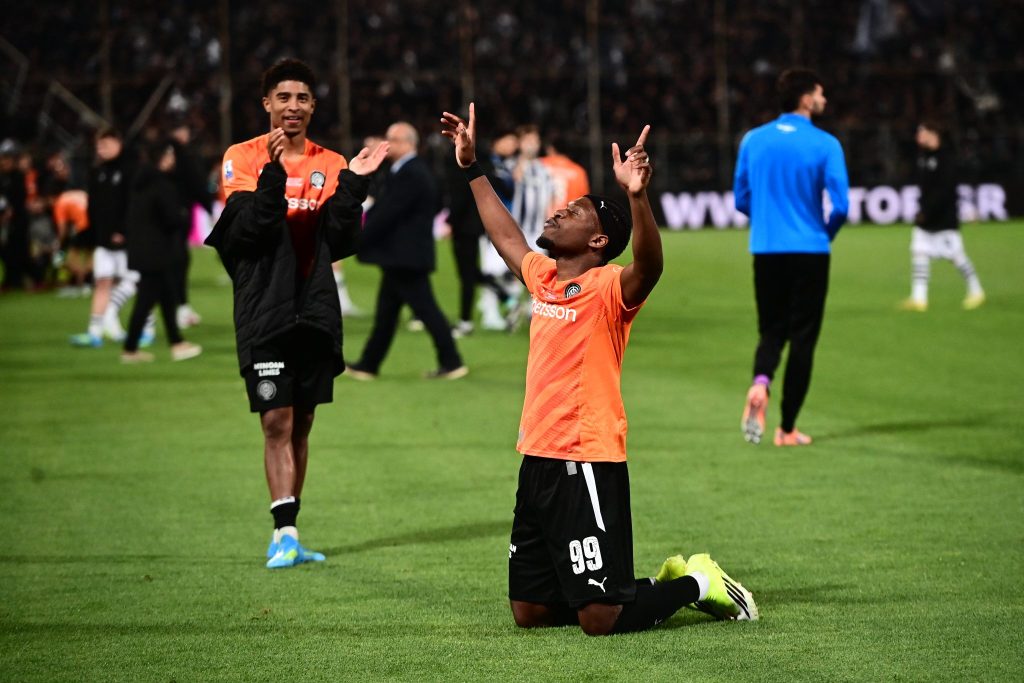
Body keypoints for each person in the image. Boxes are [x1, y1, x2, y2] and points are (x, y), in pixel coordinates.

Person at [441, 103, 758, 636]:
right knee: (530, 612)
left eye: (574, 212)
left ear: (597, 242)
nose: (559, 211)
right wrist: (470, 167)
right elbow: (507, 238)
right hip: (536, 456)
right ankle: (632, 590)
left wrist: (637, 197)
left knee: (600, 620)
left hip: (585, 456)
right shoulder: (544, 278)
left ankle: (698, 583)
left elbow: (650, 266)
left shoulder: (609, 288)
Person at [204, 58, 388, 569]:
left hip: (315, 307)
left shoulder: (331, 162)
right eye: (283, 97)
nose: (293, 106)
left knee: (302, 421)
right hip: (264, 307)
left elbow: (340, 238)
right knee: (275, 421)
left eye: (302, 98)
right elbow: (250, 229)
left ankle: (290, 530)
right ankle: (282, 533)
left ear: (313, 106)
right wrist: (273, 171)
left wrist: (354, 184)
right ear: (267, 103)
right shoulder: (241, 157)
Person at [733, 68, 849, 447]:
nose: (824, 99)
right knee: (803, 339)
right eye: (820, 93)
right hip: (810, 250)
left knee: (771, 331)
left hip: (766, 249)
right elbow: (841, 205)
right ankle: (786, 429)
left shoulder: (753, 139)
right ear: (806, 99)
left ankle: (760, 382)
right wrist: (824, 234)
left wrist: (768, 220)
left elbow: (741, 199)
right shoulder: (826, 144)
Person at [345, 122, 468, 381]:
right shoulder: (409, 170)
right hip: (404, 255)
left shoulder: (411, 172)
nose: (387, 143)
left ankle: (452, 361)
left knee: (425, 311)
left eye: (393, 139)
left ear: (409, 143)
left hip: (406, 256)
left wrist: (359, 239)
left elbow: (387, 213)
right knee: (387, 314)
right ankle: (369, 364)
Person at [120, 141, 202, 363]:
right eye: (169, 156)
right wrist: (182, 215)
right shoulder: (161, 184)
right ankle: (130, 349)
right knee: (145, 301)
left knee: (167, 297)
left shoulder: (140, 183)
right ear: (162, 159)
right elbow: (171, 218)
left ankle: (177, 343)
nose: (172, 160)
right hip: (157, 252)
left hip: (143, 250)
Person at [71, 128, 146, 346]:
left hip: (126, 241)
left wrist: (123, 230)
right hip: (104, 240)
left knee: (135, 283)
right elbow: (93, 207)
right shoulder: (98, 172)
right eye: (98, 146)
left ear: (118, 143)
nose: (101, 150)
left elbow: (134, 204)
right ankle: (95, 332)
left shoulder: (130, 170)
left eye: (105, 145)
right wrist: (90, 233)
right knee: (103, 282)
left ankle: (132, 325)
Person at [901, 120, 984, 312]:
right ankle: (919, 298)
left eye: (922, 132)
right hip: (926, 218)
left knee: (956, 256)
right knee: (919, 252)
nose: (918, 136)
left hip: (943, 218)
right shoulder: (924, 157)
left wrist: (927, 211)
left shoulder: (946, 158)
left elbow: (945, 191)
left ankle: (976, 290)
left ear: (933, 133)